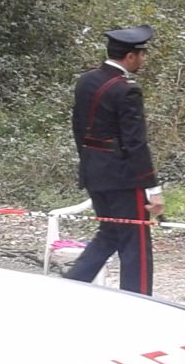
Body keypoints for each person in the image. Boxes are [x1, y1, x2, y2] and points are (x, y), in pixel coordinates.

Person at [66, 24, 162, 294]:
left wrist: (89, 162)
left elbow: (78, 128)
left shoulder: (86, 80)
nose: (143, 59)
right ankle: (139, 300)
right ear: (130, 57)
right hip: (122, 180)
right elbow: (136, 143)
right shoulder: (127, 90)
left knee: (109, 233)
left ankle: (68, 286)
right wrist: (153, 188)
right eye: (141, 54)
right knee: (136, 243)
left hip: (93, 172)